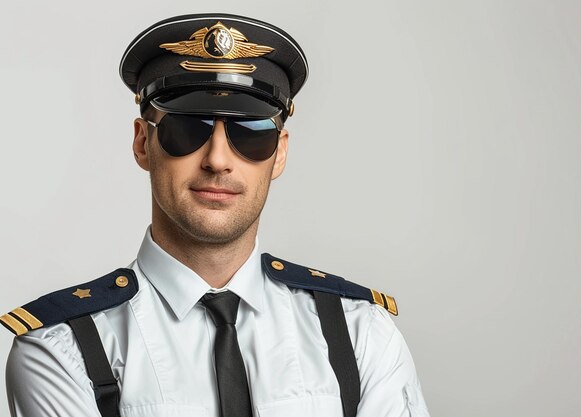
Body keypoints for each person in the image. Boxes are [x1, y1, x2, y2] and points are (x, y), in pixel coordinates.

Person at [1, 13, 430, 417]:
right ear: (142, 143)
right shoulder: (62, 348)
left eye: (251, 134)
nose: (218, 159)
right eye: (187, 129)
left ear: (279, 154)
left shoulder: (359, 334)